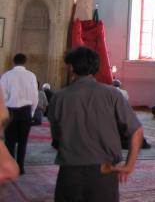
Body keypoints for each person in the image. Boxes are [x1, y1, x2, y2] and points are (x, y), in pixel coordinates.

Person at [48, 46, 143, 201]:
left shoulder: (58, 98)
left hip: (70, 173)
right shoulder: (113, 94)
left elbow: (56, 137)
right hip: (104, 173)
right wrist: (129, 165)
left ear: (71, 67)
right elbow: (136, 130)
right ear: (96, 67)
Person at [0, 53, 39, 175]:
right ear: (25, 61)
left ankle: (11, 168)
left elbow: (2, 96)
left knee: (9, 141)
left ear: (13, 61)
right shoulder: (31, 75)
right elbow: (35, 96)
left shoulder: (6, 76)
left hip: (10, 111)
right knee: (23, 141)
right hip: (26, 111)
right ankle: (21, 168)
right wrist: (32, 112)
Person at [0, 87, 20, 184]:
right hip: (25, 113)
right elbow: (34, 99)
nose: (13, 170)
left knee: (11, 141)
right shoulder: (31, 79)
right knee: (21, 142)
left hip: (11, 109)